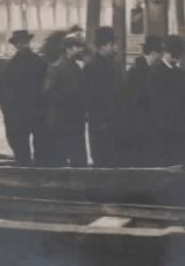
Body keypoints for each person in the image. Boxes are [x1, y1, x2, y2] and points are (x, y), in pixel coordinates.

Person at [0, 30, 46, 164]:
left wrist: (8, 112)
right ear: (16, 45)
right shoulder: (40, 63)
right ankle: (33, 168)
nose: (23, 45)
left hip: (28, 113)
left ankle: (27, 169)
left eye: (25, 42)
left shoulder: (10, 66)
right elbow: (3, 93)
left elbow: (2, 93)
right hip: (28, 113)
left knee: (28, 145)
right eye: (21, 43)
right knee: (30, 145)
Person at [41, 32, 90, 166]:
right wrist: (70, 102)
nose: (81, 50)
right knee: (62, 156)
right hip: (62, 120)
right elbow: (49, 93)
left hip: (74, 119)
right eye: (77, 47)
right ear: (68, 49)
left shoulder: (75, 67)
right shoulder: (56, 68)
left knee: (77, 156)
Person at [147, 34, 185, 167]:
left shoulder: (182, 74)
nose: (177, 58)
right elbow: (155, 103)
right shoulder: (155, 73)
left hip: (180, 128)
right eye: (174, 54)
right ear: (166, 52)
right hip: (162, 129)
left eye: (178, 55)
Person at [119, 35, 164, 165]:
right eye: (159, 54)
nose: (160, 58)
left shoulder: (140, 69)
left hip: (143, 122)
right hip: (139, 124)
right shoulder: (139, 71)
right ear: (153, 53)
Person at [82, 27, 124, 165]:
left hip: (112, 123)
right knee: (103, 160)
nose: (116, 48)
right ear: (104, 45)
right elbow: (90, 98)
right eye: (113, 44)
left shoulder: (112, 65)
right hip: (101, 125)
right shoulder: (92, 67)